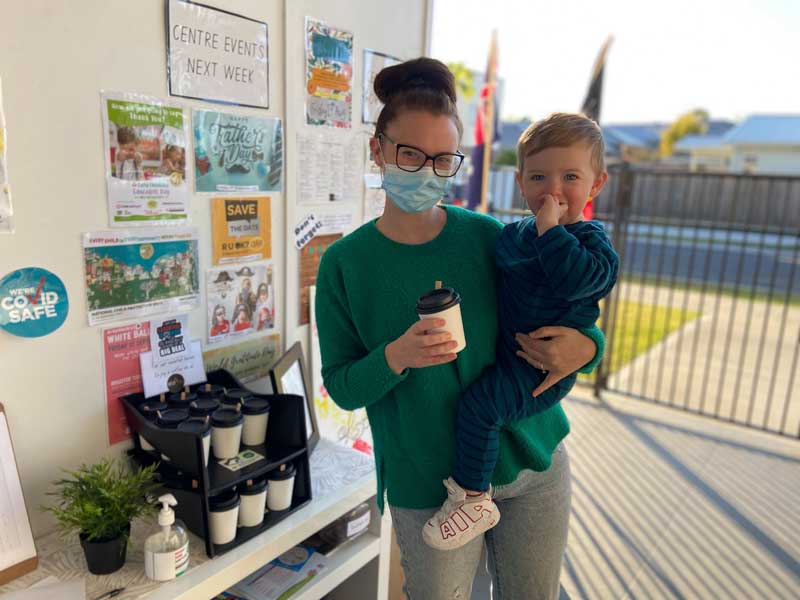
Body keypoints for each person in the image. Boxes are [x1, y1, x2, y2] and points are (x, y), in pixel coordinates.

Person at [315, 58, 605, 600]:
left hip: (530, 462)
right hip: (428, 483)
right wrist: (396, 355)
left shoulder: (488, 237)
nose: (426, 170)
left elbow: (566, 304)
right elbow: (342, 385)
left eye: (442, 158)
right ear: (377, 149)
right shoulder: (345, 265)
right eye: (409, 154)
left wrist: (588, 346)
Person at [424, 113, 619, 551]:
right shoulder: (512, 237)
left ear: (596, 184)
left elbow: (575, 281)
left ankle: (473, 498)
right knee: (478, 399)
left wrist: (551, 231)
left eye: (570, 176)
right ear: (520, 183)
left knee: (481, 407)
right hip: (509, 353)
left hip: (539, 372)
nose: (552, 189)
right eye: (538, 176)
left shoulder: (594, 245)